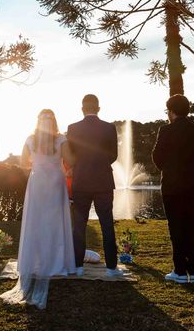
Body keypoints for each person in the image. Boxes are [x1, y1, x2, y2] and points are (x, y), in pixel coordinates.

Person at [0, 109, 76, 309]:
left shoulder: (30, 140)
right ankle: (56, 261)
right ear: (54, 122)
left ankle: (34, 260)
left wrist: (37, 163)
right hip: (55, 183)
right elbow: (71, 160)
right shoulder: (60, 139)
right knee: (53, 223)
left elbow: (23, 162)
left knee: (36, 222)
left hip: (37, 182)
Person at [152, 95, 194, 284]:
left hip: (172, 185)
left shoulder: (165, 130)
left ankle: (179, 270)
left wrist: (168, 168)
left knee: (175, 226)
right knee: (192, 226)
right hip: (192, 183)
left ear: (171, 111)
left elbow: (157, 156)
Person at [68, 94, 123, 278]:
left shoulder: (73, 128)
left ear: (82, 109)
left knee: (79, 226)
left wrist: (81, 166)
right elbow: (113, 155)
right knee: (107, 224)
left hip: (81, 181)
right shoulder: (109, 128)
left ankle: (78, 266)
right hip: (103, 182)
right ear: (98, 108)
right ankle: (111, 267)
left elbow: (71, 156)